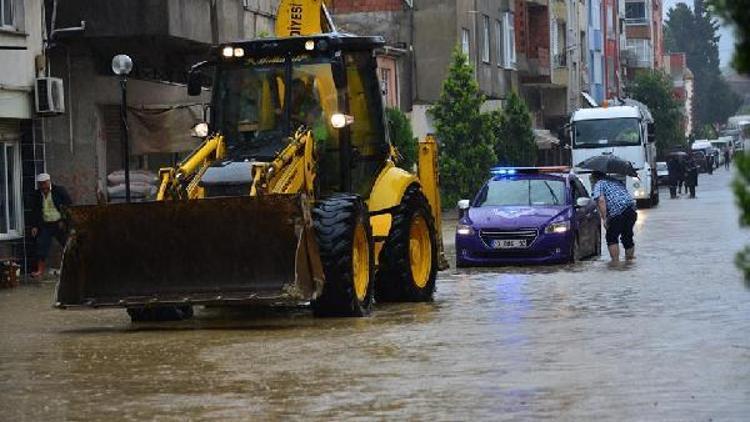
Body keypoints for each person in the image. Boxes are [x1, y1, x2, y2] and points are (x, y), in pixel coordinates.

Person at [30, 173, 72, 278]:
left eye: (44, 184)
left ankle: (73, 267)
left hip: (59, 223)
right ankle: (40, 270)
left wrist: (64, 220)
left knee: (68, 245)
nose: (43, 187)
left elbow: (68, 205)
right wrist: (34, 226)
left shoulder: (59, 191)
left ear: (49, 182)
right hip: (45, 224)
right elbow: (35, 211)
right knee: (41, 246)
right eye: (40, 185)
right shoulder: (37, 195)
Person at [590, 171, 638, 262]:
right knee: (627, 237)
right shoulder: (616, 181)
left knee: (611, 237)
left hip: (617, 213)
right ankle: (630, 261)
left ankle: (615, 263)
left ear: (594, 177)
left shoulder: (599, 184)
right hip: (631, 211)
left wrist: (604, 218)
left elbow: (601, 200)